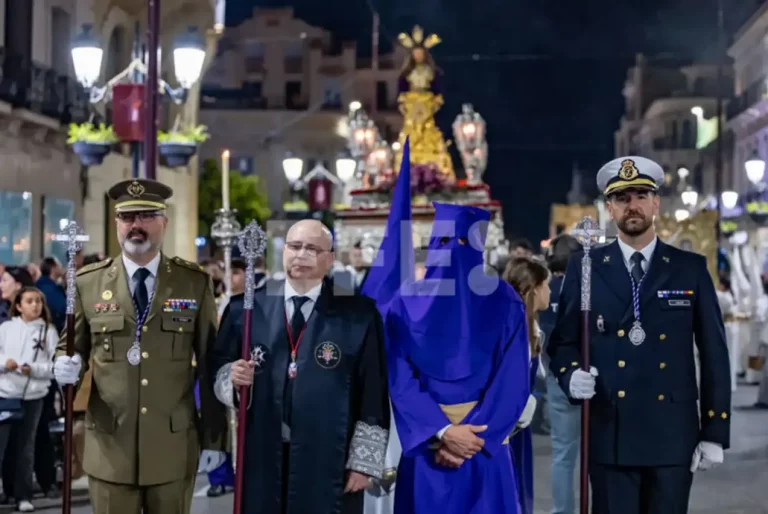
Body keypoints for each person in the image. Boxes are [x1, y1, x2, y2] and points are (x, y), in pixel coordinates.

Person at [548, 156, 731, 514]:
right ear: (610, 208)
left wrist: (715, 430)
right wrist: (570, 375)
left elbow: (714, 354)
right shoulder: (586, 267)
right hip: (610, 432)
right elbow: (564, 341)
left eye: (641, 196)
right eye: (622, 198)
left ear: (655, 203)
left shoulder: (688, 268)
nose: (632, 205)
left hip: (672, 435)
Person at [51, 179, 227, 514]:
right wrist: (64, 365)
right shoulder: (88, 282)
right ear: (116, 222)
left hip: (172, 446)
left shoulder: (192, 282)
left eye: (146, 216)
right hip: (109, 448)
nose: (136, 225)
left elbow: (209, 362)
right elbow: (70, 348)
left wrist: (214, 438)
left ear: (164, 222)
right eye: (127, 217)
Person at [212, 219, 390, 514]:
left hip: (329, 455)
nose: (301, 255)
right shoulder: (245, 308)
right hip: (262, 451)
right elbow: (217, 368)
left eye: (312, 249)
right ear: (284, 251)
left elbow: (373, 390)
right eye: (295, 246)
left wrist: (364, 462)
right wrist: (231, 377)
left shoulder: (359, 314)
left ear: (330, 259)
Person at [386, 203, 533, 514]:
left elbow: (513, 379)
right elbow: (399, 377)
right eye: (444, 241)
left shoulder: (505, 301)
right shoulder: (404, 304)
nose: (454, 250)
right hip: (432, 448)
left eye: (464, 242)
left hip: (481, 449)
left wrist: (469, 438)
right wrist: (443, 432)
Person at [0, 286, 60, 512]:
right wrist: (5, 363)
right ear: (18, 306)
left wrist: (33, 369)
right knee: (3, 446)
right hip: (6, 394)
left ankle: (23, 496)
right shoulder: (6, 328)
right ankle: (7, 491)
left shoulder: (48, 331)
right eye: (29, 301)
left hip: (34, 396)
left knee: (26, 447)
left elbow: (55, 365)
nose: (35, 305)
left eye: (38, 301)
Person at [503, 255, 552, 514]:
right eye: (546, 286)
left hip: (520, 424)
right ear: (533, 290)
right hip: (508, 425)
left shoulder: (531, 326)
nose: (549, 292)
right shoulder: (514, 327)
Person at [541, 234, 583, 514]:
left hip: (557, 375)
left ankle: (562, 511)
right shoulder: (587, 288)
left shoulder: (546, 289)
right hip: (593, 374)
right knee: (600, 453)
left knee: (563, 454)